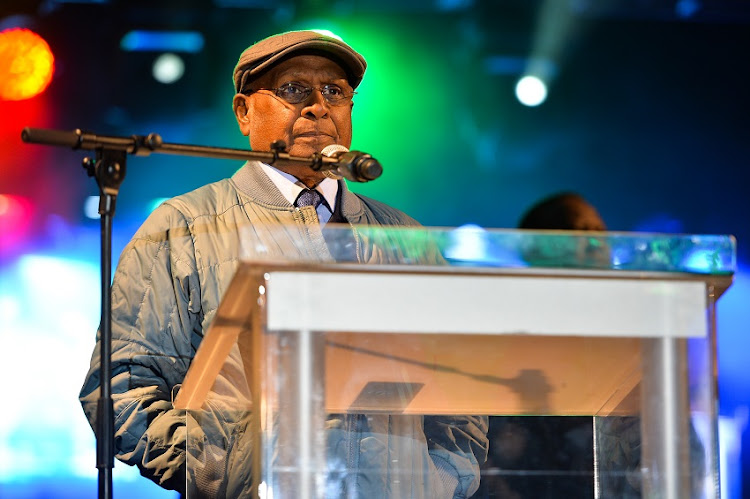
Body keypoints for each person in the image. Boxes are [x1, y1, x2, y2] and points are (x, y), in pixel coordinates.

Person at [79, 30, 488, 498]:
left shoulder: (406, 238)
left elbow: (460, 386)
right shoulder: (184, 227)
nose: (319, 106)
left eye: (335, 92)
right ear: (243, 112)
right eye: (295, 90)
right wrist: (219, 470)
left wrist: (438, 480)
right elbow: (120, 388)